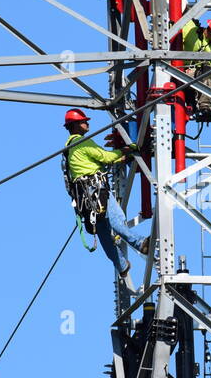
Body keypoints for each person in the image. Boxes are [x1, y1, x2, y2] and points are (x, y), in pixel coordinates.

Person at [61, 109, 151, 292]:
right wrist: (129, 148)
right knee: (116, 219)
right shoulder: (82, 142)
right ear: (75, 125)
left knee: (103, 232)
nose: (87, 124)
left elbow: (97, 163)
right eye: (84, 121)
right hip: (96, 190)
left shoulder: (69, 150)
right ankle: (140, 243)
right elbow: (106, 157)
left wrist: (119, 158)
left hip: (85, 200)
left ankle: (122, 265)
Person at [178, 15, 211, 122]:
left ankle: (206, 106)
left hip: (202, 79)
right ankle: (205, 106)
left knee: (208, 68)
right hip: (182, 74)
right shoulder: (191, 32)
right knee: (207, 68)